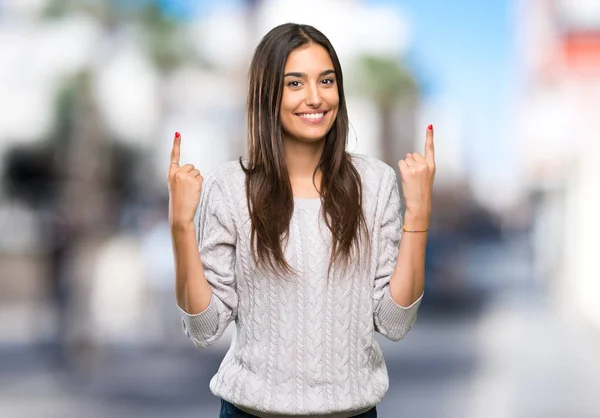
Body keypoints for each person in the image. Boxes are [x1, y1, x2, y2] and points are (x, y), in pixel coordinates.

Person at [167, 23, 435, 418]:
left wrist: (419, 213)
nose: (315, 97)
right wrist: (181, 226)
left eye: (326, 80)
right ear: (268, 95)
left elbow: (394, 322)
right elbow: (205, 328)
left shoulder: (375, 184)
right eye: (295, 83)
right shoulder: (229, 187)